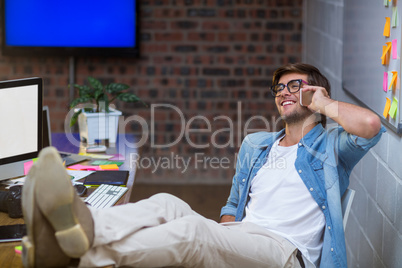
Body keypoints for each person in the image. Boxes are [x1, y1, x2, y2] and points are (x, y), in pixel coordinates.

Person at [21, 63, 384, 268]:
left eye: (295, 86)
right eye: (278, 89)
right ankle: (83, 228)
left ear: (317, 93)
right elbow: (232, 206)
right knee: (167, 204)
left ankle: (79, 258)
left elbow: (370, 126)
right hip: (245, 238)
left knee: (194, 233)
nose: (283, 92)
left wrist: (322, 103)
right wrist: (225, 232)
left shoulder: (332, 146)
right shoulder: (258, 144)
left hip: (286, 255)